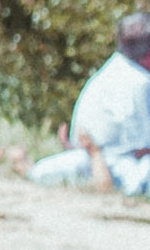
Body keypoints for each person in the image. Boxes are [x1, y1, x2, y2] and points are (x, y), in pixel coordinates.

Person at [28, 15, 150, 195]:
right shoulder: (140, 82)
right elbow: (142, 145)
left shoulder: (108, 72)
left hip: (87, 158)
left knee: (41, 172)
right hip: (118, 164)